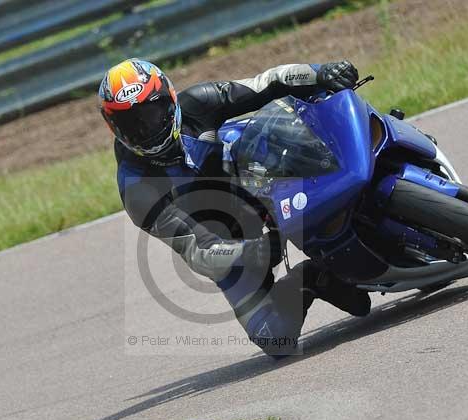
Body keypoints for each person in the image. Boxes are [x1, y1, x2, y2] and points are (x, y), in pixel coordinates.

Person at [99, 58, 371, 356]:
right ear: (113, 125)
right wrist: (251, 252)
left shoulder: (199, 103)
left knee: (311, 134)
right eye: (132, 124)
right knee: (276, 339)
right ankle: (312, 279)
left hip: (258, 175)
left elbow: (269, 81)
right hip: (228, 238)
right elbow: (198, 252)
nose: (145, 129)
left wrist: (320, 72)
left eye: (151, 115)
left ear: (169, 97)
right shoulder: (135, 187)